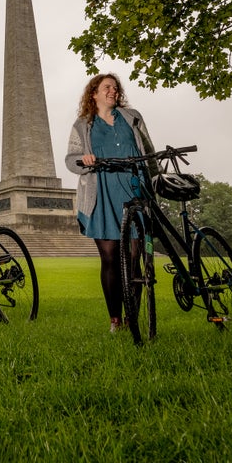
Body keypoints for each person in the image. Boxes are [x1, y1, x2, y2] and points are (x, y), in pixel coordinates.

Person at [65, 73, 158, 333]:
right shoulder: (82, 125)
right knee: (109, 258)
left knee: (134, 255)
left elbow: (148, 152)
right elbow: (71, 159)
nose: (113, 91)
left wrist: (157, 180)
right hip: (101, 193)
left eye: (115, 88)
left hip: (133, 188)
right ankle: (115, 318)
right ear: (93, 93)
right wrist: (84, 160)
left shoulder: (132, 117)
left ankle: (133, 317)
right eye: (107, 87)